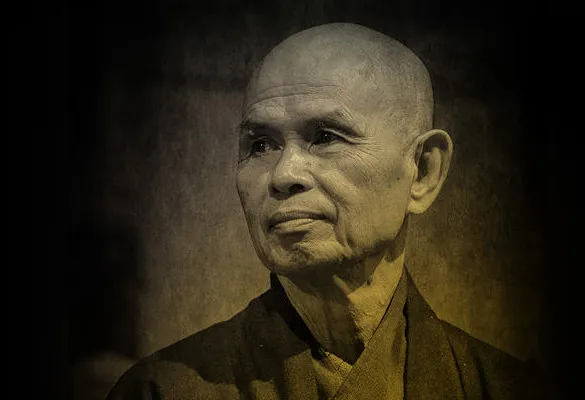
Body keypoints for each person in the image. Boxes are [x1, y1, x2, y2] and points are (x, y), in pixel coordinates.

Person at [106, 22, 550, 399]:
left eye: (325, 137)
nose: (284, 174)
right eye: (260, 145)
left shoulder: (504, 389)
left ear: (422, 171)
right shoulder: (164, 390)